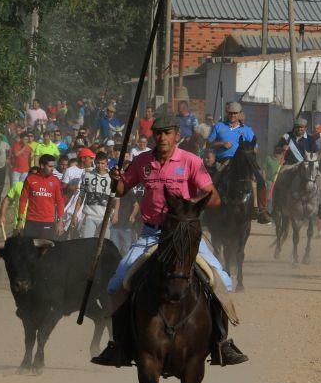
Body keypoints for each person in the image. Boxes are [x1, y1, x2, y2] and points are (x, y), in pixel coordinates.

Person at [91, 112, 248, 368]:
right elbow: (120, 190)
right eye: (158, 133)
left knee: (223, 281)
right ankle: (118, 345)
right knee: (116, 283)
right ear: (153, 135)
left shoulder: (191, 161)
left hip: (184, 236)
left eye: (167, 132)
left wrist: (190, 207)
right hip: (151, 234)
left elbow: (215, 198)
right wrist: (116, 180)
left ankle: (221, 343)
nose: (162, 137)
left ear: (177, 135)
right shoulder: (142, 161)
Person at [207, 102, 272, 224]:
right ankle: (208, 209)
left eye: (235, 113)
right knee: (213, 180)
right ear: (227, 113)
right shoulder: (219, 127)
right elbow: (208, 143)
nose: (232, 116)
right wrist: (222, 144)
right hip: (225, 161)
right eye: (230, 113)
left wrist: (250, 151)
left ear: (240, 114)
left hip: (244, 162)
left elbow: (255, 146)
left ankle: (260, 210)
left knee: (260, 180)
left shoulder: (247, 130)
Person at [73, 152, 119, 238]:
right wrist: (74, 214)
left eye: (102, 163)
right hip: (89, 216)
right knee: (87, 244)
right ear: (94, 162)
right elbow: (81, 196)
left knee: (104, 246)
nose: (100, 165)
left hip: (105, 217)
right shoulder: (87, 175)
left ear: (107, 164)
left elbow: (116, 198)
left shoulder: (112, 177)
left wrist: (116, 213)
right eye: (98, 163)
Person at [18, 154, 65, 239]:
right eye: (50, 166)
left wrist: (60, 222)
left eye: (53, 166)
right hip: (31, 221)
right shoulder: (30, 179)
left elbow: (60, 202)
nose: (52, 169)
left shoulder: (55, 181)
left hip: (48, 222)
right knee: (30, 249)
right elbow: (23, 200)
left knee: (46, 250)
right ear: (42, 165)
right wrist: (20, 221)